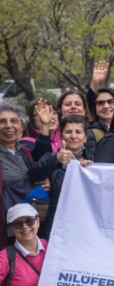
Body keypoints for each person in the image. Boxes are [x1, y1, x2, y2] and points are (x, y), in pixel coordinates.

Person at [0, 102, 60, 246]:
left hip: (30, 225)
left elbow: (41, 161)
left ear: (22, 126)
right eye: (2, 121)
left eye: (14, 121)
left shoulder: (24, 151)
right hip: (6, 229)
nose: (8, 125)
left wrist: (45, 182)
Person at [40, 115, 94, 239]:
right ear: (61, 136)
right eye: (68, 132)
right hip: (57, 224)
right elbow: (34, 172)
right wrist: (56, 160)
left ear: (85, 138)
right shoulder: (51, 158)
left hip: (86, 225)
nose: (73, 136)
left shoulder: (95, 159)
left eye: (78, 132)